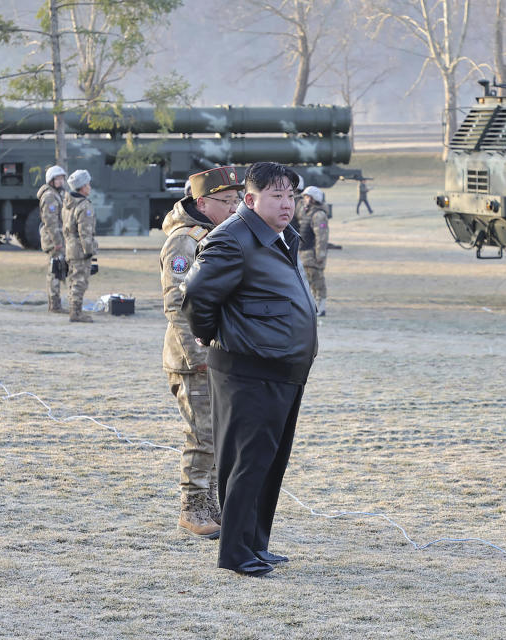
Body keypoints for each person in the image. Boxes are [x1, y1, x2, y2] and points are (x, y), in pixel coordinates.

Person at [182, 161, 318, 577]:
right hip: (248, 368)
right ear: (250, 199)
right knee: (245, 463)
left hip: (283, 368)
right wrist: (209, 335)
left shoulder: (278, 236)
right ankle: (236, 554)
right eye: (276, 196)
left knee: (269, 462)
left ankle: (256, 544)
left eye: (291, 195)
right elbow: (196, 297)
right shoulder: (233, 238)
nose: (286, 204)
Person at [159, 166, 243, 539]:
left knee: (217, 435)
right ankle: (192, 508)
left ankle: (210, 504)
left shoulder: (216, 234)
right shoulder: (184, 240)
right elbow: (177, 303)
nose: (235, 206)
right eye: (227, 201)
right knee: (201, 434)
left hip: (219, 352)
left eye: (237, 199)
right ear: (202, 201)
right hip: (193, 359)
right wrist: (199, 354)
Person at [62, 169, 97, 323]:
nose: (89, 187)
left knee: (74, 280)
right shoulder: (84, 206)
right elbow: (85, 232)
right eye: (88, 184)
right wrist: (89, 251)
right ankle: (76, 313)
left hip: (70, 247)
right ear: (82, 187)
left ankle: (74, 309)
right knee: (80, 281)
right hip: (80, 250)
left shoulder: (68, 204)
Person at [38, 165, 68, 313]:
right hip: (53, 240)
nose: (61, 181)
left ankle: (56, 303)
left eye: (62, 178)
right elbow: (51, 221)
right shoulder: (49, 196)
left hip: (58, 238)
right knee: (55, 271)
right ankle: (54, 304)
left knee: (58, 269)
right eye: (58, 178)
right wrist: (57, 242)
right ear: (51, 180)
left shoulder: (57, 194)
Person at [298, 185, 330, 317]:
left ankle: (320, 308)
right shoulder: (308, 213)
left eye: (307, 197)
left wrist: (320, 255)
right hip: (305, 254)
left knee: (318, 281)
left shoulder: (319, 215)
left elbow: (321, 237)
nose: (304, 199)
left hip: (313, 255)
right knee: (308, 282)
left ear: (313, 199)